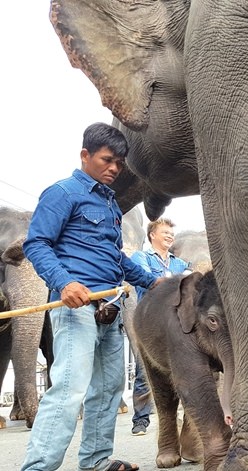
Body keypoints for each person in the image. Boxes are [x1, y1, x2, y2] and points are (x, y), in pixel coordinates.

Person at [21, 123, 162, 471]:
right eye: (106, 160)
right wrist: (64, 283)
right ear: (85, 155)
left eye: (119, 163)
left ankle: (96, 460)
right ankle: (37, 466)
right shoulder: (62, 193)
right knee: (69, 389)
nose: (114, 168)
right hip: (76, 308)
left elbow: (117, 259)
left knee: (109, 389)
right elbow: (37, 244)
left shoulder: (110, 204)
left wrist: (152, 281)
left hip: (110, 308)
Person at [128, 218, 190, 436]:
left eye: (172, 233)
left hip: (177, 324)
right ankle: (141, 419)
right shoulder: (141, 258)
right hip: (151, 323)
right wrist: (175, 282)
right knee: (145, 373)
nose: (170, 236)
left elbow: (190, 283)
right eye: (165, 232)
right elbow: (149, 281)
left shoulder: (179, 263)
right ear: (152, 235)